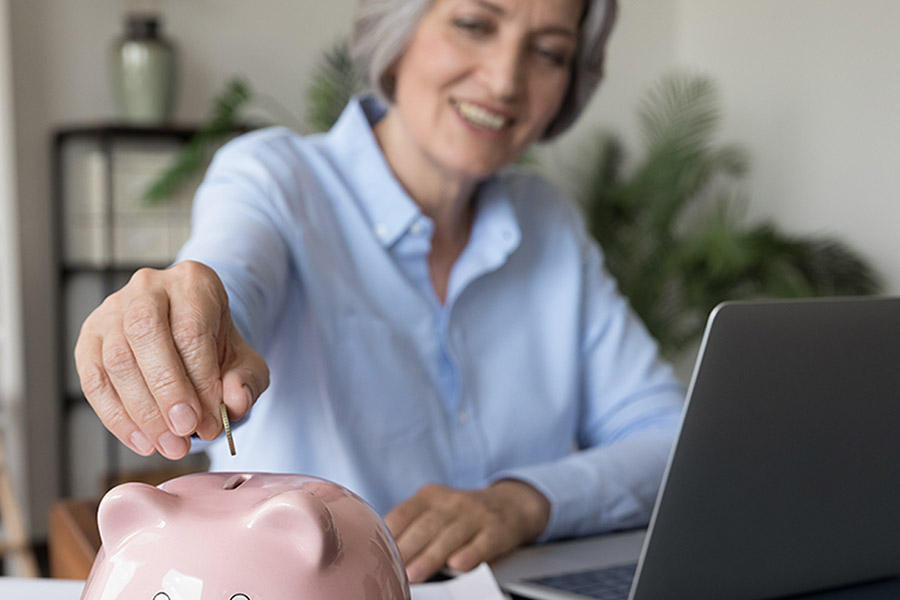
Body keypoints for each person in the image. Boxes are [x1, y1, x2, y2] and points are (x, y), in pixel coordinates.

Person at [75, 0, 684, 584]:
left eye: (549, 52)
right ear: (400, 29)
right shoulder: (275, 182)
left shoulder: (549, 222)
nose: (504, 80)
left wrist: (520, 503)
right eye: (474, 24)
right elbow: (227, 281)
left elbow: (668, 437)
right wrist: (188, 315)